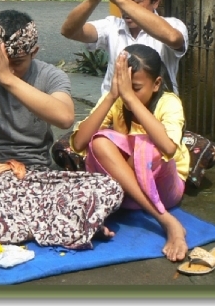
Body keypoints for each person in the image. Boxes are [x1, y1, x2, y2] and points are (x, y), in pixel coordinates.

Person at [0, 10, 124, 257]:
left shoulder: (49, 75)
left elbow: (65, 117)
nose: (8, 71)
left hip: (37, 178)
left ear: (34, 53)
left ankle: (22, 226)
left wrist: (8, 80)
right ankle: (62, 225)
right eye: (3, 62)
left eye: (17, 64)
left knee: (109, 188)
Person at [70, 43, 190, 262]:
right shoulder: (117, 99)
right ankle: (166, 220)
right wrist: (111, 96)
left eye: (135, 88)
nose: (127, 94)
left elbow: (169, 148)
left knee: (146, 146)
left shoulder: (168, 102)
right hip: (129, 191)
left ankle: (166, 220)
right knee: (99, 142)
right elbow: (78, 143)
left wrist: (131, 100)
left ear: (156, 84)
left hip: (164, 191)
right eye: (124, 86)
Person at [61, 0, 188, 95]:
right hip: (115, 111)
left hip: (156, 112)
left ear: (155, 2)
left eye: (136, 1)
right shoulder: (112, 26)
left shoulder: (173, 25)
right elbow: (69, 31)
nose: (126, 8)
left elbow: (173, 38)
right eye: (124, 1)